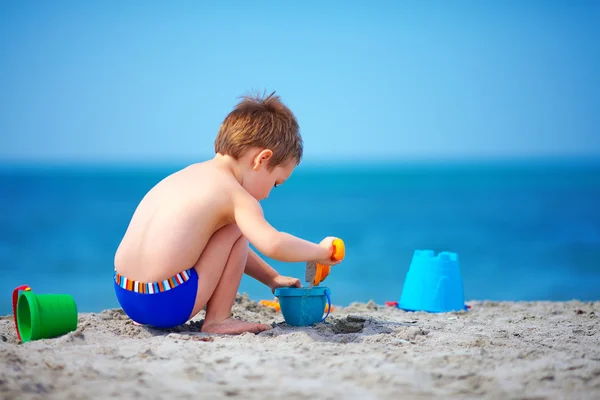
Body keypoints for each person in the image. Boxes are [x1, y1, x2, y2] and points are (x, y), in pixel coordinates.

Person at [113, 91, 342, 334]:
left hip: (127, 294)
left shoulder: (184, 177)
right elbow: (273, 243)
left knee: (232, 226)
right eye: (275, 183)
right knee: (238, 225)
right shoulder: (236, 196)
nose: (267, 194)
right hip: (165, 302)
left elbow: (222, 247)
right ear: (262, 159)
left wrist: (272, 279)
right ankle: (218, 320)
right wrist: (321, 252)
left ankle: (210, 315)